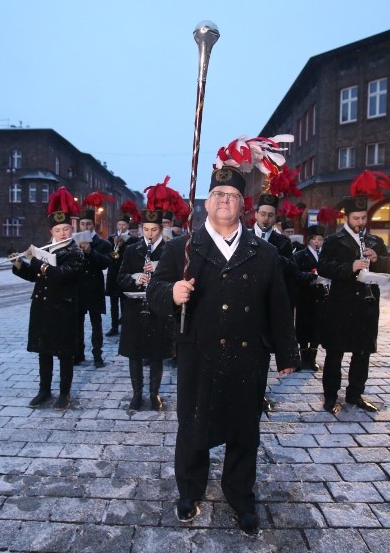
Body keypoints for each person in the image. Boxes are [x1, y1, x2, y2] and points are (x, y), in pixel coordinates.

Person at [148, 135, 299, 535]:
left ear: (243, 205)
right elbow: (154, 291)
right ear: (207, 202)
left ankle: (240, 496)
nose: (225, 201)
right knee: (193, 427)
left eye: (233, 195)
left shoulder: (264, 253)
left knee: (243, 432)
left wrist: (287, 354)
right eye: (218, 194)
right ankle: (189, 490)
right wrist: (171, 293)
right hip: (198, 352)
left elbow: (278, 307)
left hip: (248, 357)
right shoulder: (183, 247)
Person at [318, 192, 390, 415]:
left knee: (362, 354)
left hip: (366, 306)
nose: (360, 223)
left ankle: (355, 395)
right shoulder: (334, 240)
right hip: (341, 306)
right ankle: (330, 396)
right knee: (335, 354)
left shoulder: (374, 241)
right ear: (347, 218)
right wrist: (349, 267)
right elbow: (324, 267)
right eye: (356, 218)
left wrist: (377, 260)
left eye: (363, 218)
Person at [12, 187, 84, 410]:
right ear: (52, 231)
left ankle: (64, 393)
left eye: (66, 229)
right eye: (58, 230)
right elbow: (35, 276)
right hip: (43, 309)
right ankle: (44, 390)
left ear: (71, 230)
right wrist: (18, 264)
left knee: (64, 354)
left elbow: (59, 276)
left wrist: (37, 263)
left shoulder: (75, 252)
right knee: (44, 351)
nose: (63, 234)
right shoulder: (46, 249)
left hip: (64, 309)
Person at [118, 206, 174, 410]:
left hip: (158, 308)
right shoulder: (133, 249)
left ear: (161, 229)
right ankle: (136, 394)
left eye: (154, 230)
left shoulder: (170, 249)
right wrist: (135, 278)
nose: (149, 235)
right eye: (146, 230)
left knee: (157, 352)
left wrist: (159, 268)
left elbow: (178, 279)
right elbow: (121, 278)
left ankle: (154, 393)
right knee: (135, 352)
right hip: (135, 307)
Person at [76, 210, 112, 368]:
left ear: (93, 225)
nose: (85, 227)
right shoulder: (72, 241)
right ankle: (78, 353)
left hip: (94, 288)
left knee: (96, 323)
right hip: (78, 288)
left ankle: (97, 355)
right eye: (82, 224)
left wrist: (90, 252)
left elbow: (106, 262)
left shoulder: (103, 243)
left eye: (88, 224)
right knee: (77, 324)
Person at [252, 193, 299, 309]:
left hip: (273, 301)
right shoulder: (244, 237)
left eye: (270, 215)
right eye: (263, 214)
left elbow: (293, 269)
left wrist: (273, 255)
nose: (266, 219)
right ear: (256, 214)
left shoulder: (283, 241)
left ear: (275, 217)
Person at [293, 225, 328, 371]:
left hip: (321, 296)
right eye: (314, 239)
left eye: (320, 239)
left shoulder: (326, 256)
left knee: (317, 327)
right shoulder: (300, 255)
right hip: (305, 297)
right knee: (303, 327)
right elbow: (295, 274)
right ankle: (302, 358)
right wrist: (312, 277)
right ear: (309, 240)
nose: (317, 242)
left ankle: (312, 358)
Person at [106, 216, 138, 336]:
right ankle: (114, 327)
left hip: (125, 274)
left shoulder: (133, 240)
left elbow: (132, 258)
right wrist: (114, 245)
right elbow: (109, 256)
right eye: (119, 225)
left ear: (128, 226)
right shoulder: (111, 238)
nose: (121, 227)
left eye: (123, 225)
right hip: (113, 274)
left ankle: (125, 327)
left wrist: (123, 245)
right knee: (113, 304)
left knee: (125, 303)